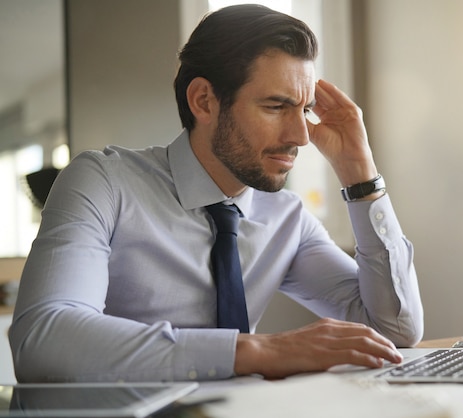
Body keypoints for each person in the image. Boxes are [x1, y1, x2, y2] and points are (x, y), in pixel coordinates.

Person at [9, 4, 423, 382]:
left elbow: (394, 330)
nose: (300, 135)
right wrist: (262, 350)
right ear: (204, 101)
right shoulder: (102, 182)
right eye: (276, 106)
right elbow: (43, 340)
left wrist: (359, 174)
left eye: (305, 109)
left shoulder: (286, 218)